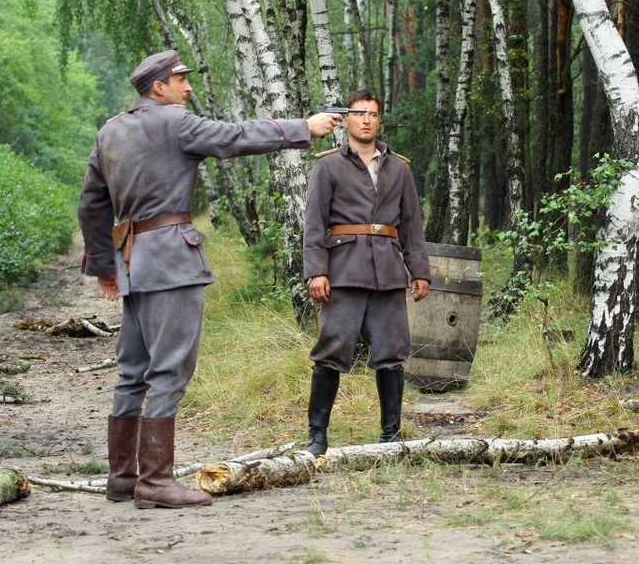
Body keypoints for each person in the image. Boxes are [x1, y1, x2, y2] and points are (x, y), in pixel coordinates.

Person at [78, 49, 341, 509]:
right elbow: (235, 137)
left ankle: (122, 478)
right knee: (169, 371)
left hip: (134, 264)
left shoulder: (109, 131)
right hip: (172, 263)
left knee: (131, 375)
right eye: (181, 80)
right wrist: (305, 127)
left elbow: (91, 204)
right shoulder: (175, 123)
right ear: (158, 87)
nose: (188, 87)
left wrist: (105, 266)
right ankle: (155, 481)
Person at [302, 89, 431, 456]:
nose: (366, 120)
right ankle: (317, 437)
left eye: (372, 114)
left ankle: (391, 437)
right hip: (342, 272)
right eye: (359, 114)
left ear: (379, 119)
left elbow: (411, 225)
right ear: (346, 120)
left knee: (392, 353)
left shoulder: (399, 168)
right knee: (331, 352)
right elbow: (314, 225)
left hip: (389, 272)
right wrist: (316, 272)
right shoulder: (327, 166)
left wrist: (418, 271)